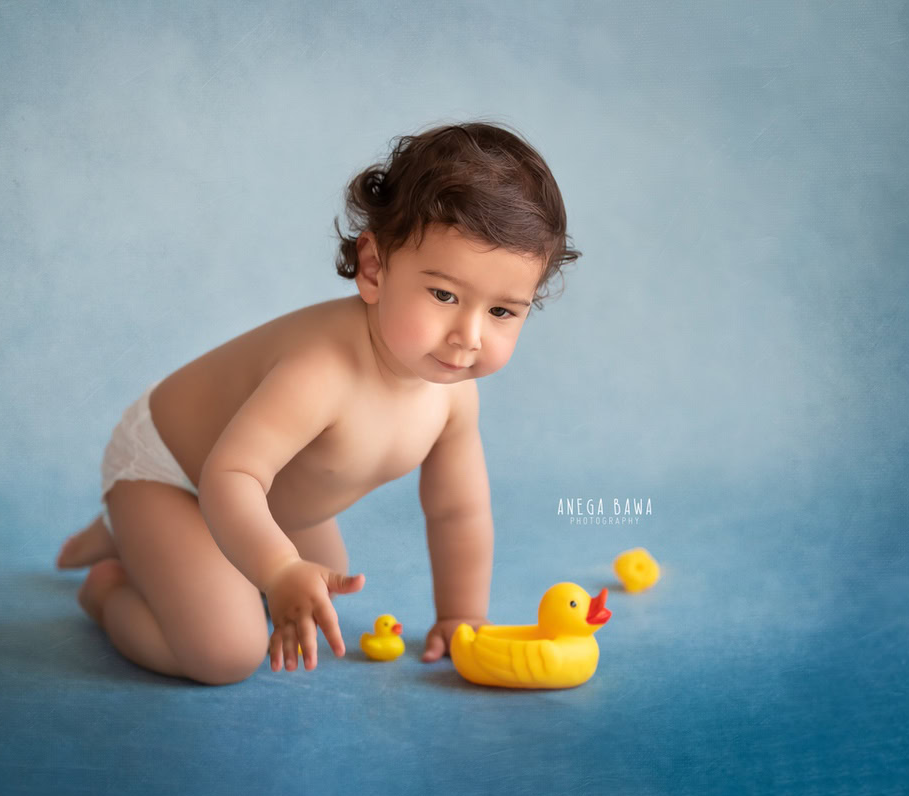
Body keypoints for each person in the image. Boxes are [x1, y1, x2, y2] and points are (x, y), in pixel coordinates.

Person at [55, 120, 581, 685]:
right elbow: (229, 476)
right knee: (226, 652)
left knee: (326, 578)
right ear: (375, 268)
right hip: (175, 474)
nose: (468, 336)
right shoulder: (322, 373)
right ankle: (112, 580)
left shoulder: (453, 399)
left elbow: (459, 513)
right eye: (444, 295)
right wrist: (278, 567)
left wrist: (460, 616)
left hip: (264, 494)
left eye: (502, 311)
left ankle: (143, 541)